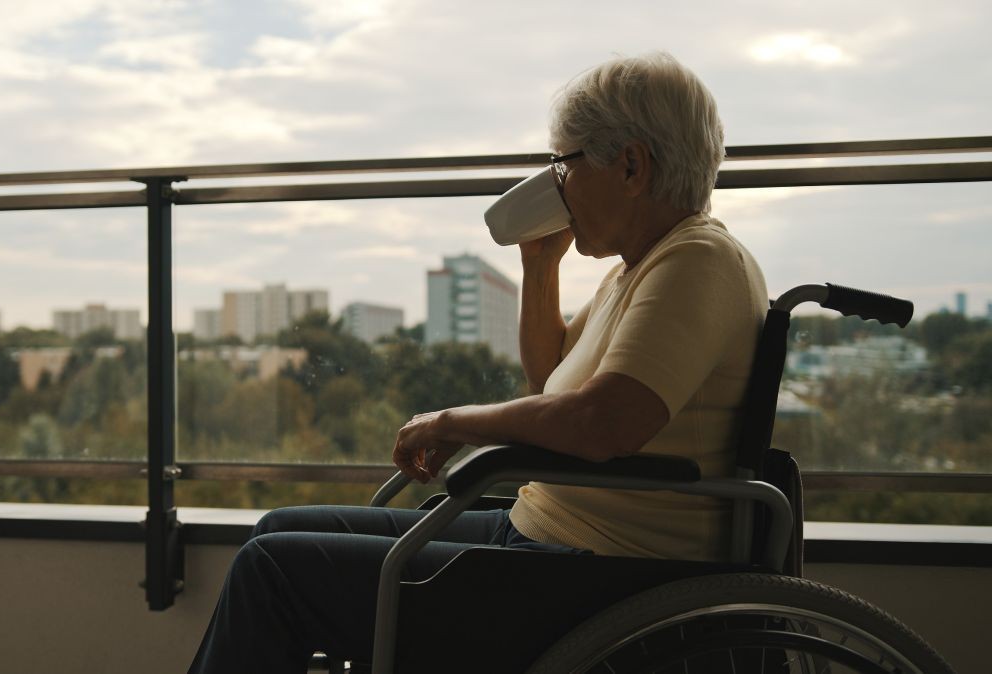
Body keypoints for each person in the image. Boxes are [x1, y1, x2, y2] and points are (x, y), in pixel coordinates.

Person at [187, 51, 767, 673]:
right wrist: (540, 266)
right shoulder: (637, 270)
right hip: (544, 535)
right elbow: (551, 387)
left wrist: (453, 421)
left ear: (630, 165)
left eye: (562, 166)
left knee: (273, 571)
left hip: (602, 576)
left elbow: (603, 424)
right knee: (275, 529)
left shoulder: (696, 261)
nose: (556, 186)